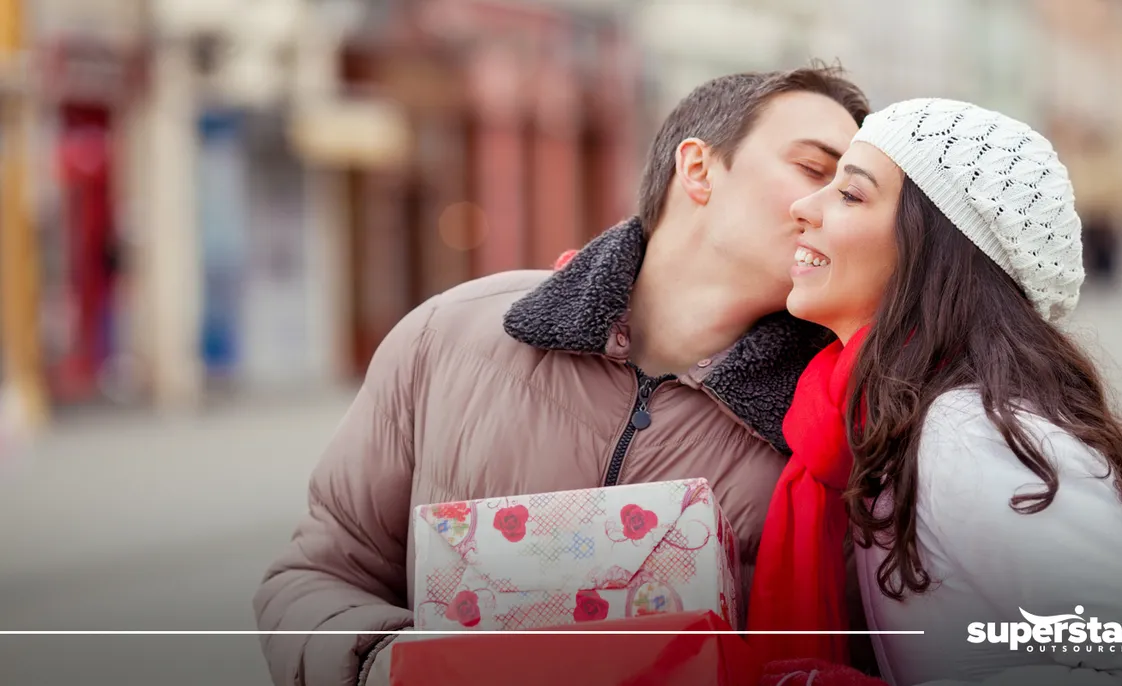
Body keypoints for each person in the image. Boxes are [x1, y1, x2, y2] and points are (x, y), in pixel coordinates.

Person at [253, 64, 872, 686]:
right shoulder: (450, 336)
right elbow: (318, 575)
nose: (829, 210)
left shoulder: (836, 432)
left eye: (850, 194)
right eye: (815, 171)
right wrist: (382, 662)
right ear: (699, 168)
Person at [748, 96, 1122, 685]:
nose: (803, 206)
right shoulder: (880, 417)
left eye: (851, 193)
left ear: (935, 250)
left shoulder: (971, 434)